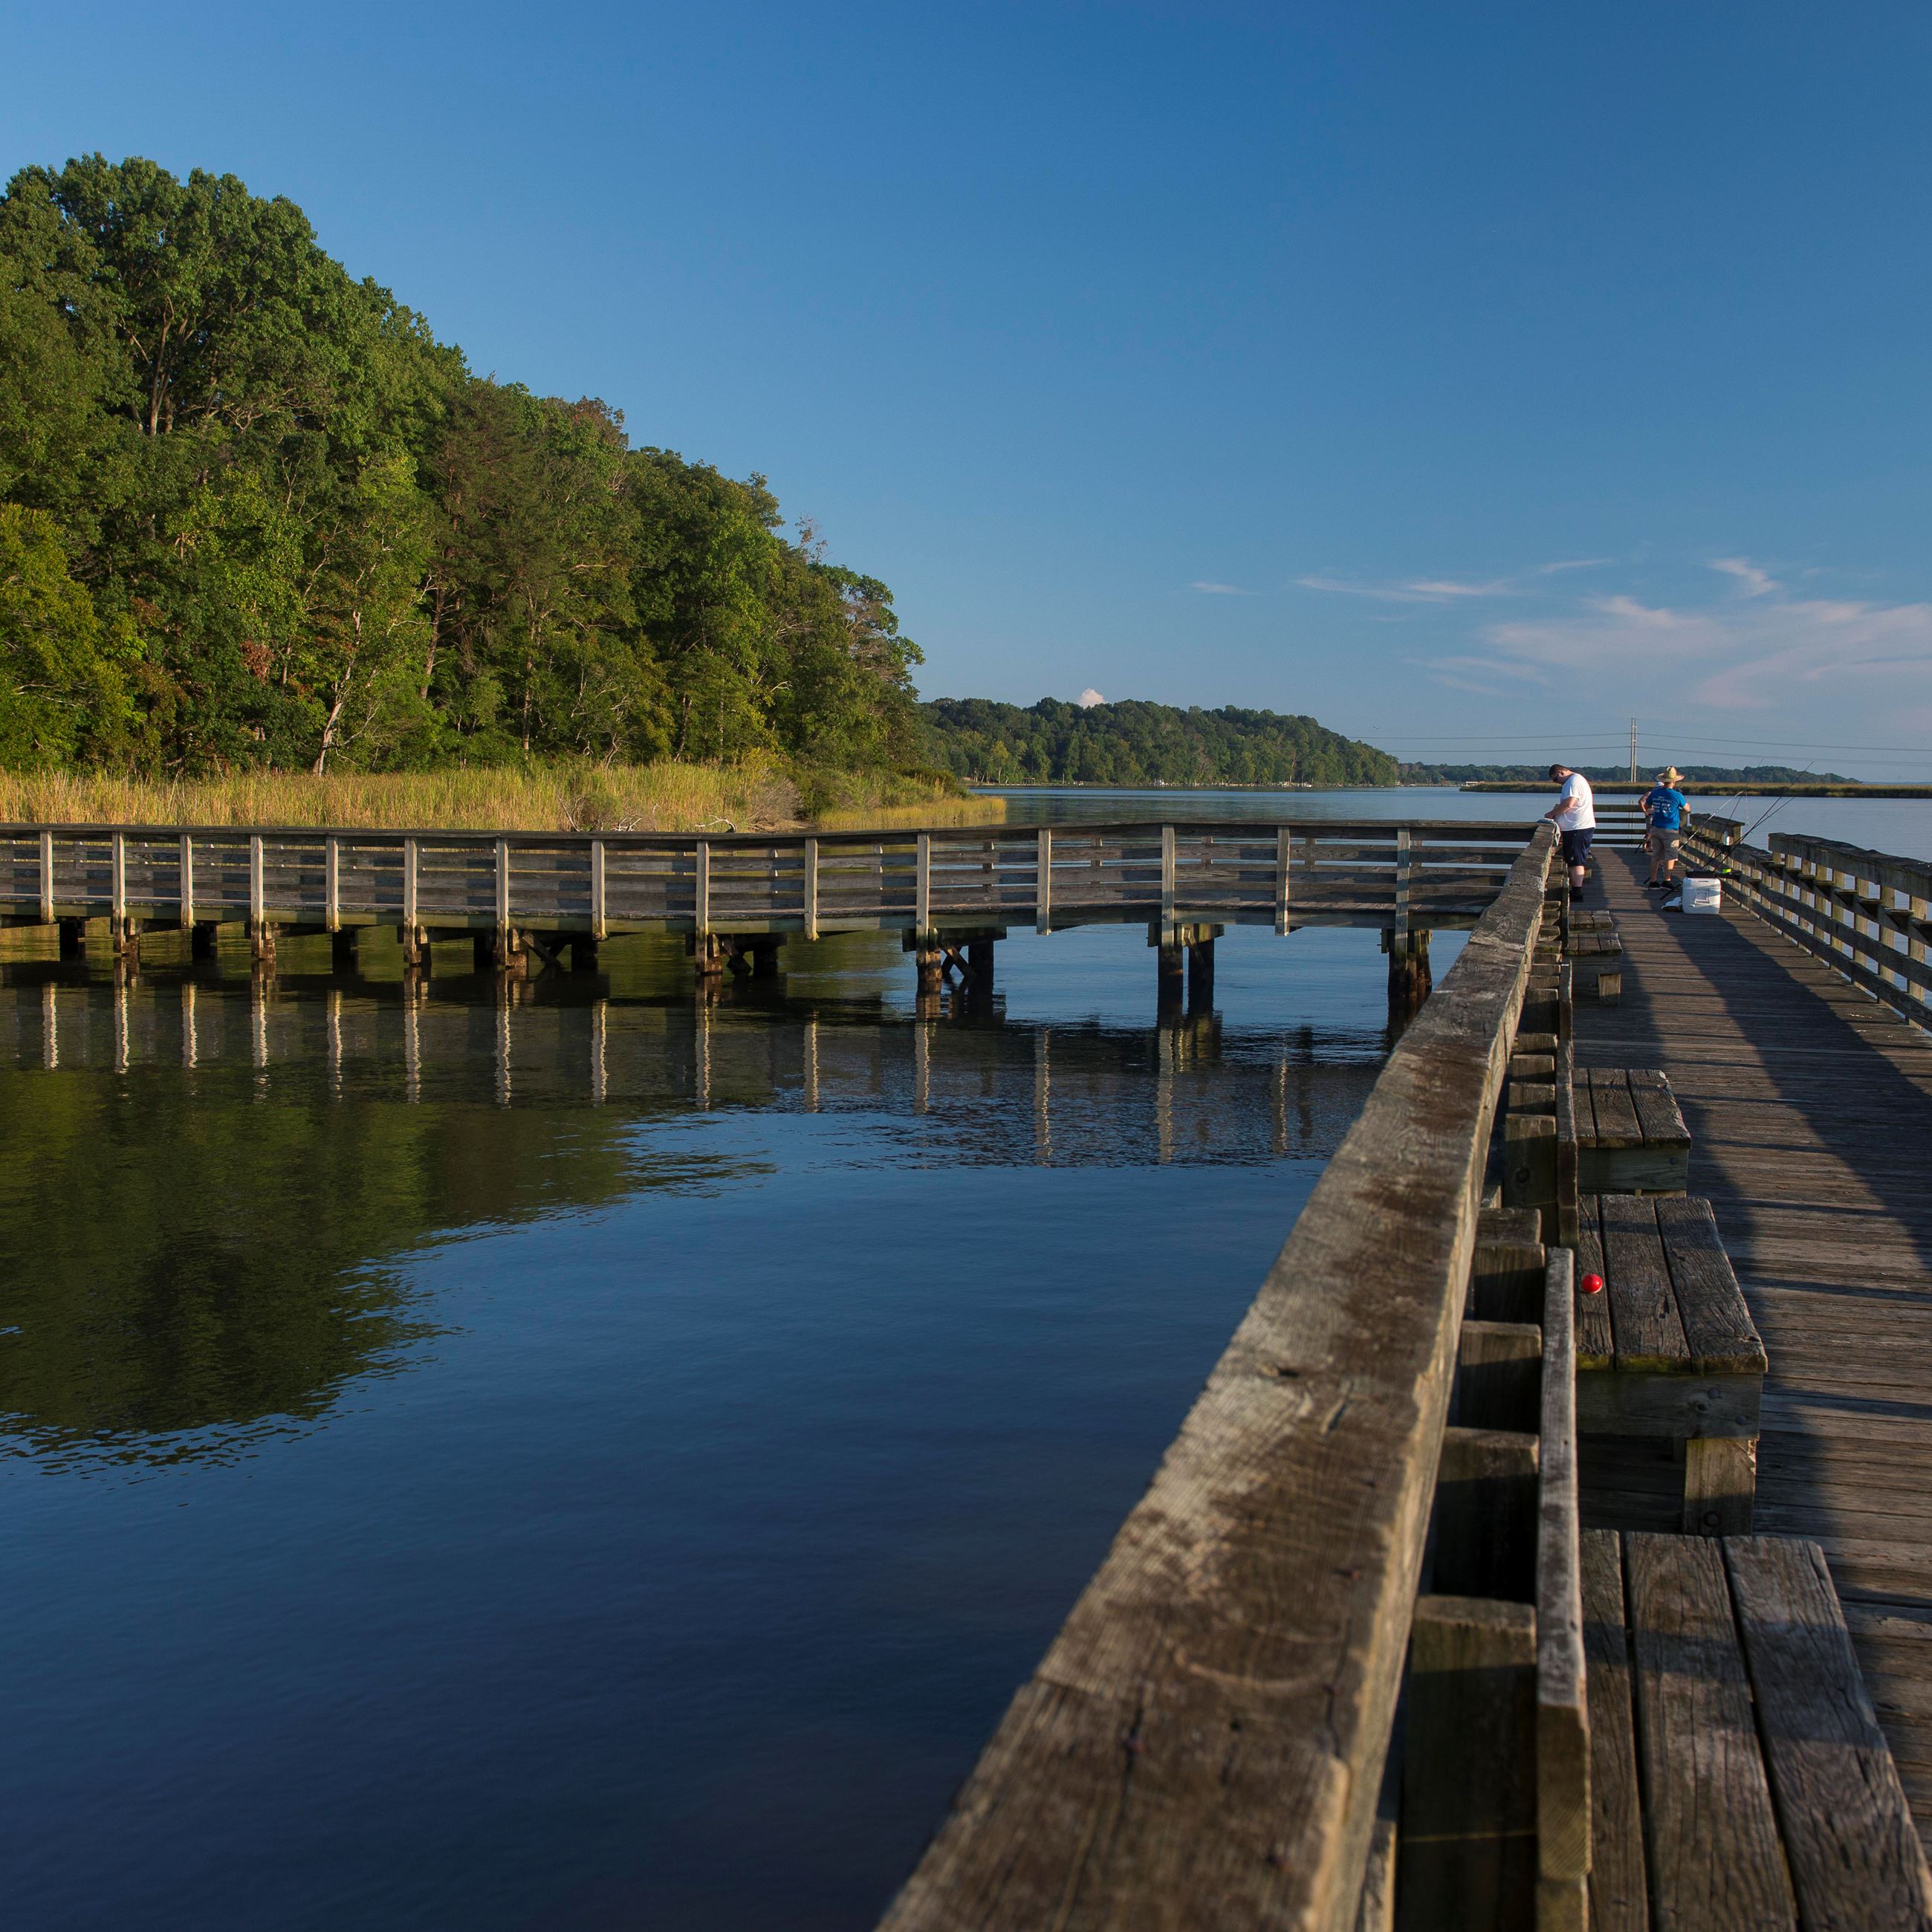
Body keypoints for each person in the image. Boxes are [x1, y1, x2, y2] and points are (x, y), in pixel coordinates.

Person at [1543, 762, 1595, 892]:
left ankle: (1577, 892)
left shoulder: (1573, 782)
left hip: (1577, 828)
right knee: (1573, 859)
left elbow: (1568, 804)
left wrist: (1551, 814)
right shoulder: (1575, 780)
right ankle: (1575, 889)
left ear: (1561, 772)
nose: (1556, 782)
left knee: (1576, 860)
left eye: (1556, 779)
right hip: (1575, 827)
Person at [1639, 765, 1690, 891]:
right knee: (1670, 855)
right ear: (1674, 781)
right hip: (1671, 829)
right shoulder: (1677, 795)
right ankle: (1667, 881)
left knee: (1656, 855)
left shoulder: (1655, 792)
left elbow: (1646, 805)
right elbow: (1688, 809)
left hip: (1656, 827)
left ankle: (1653, 881)